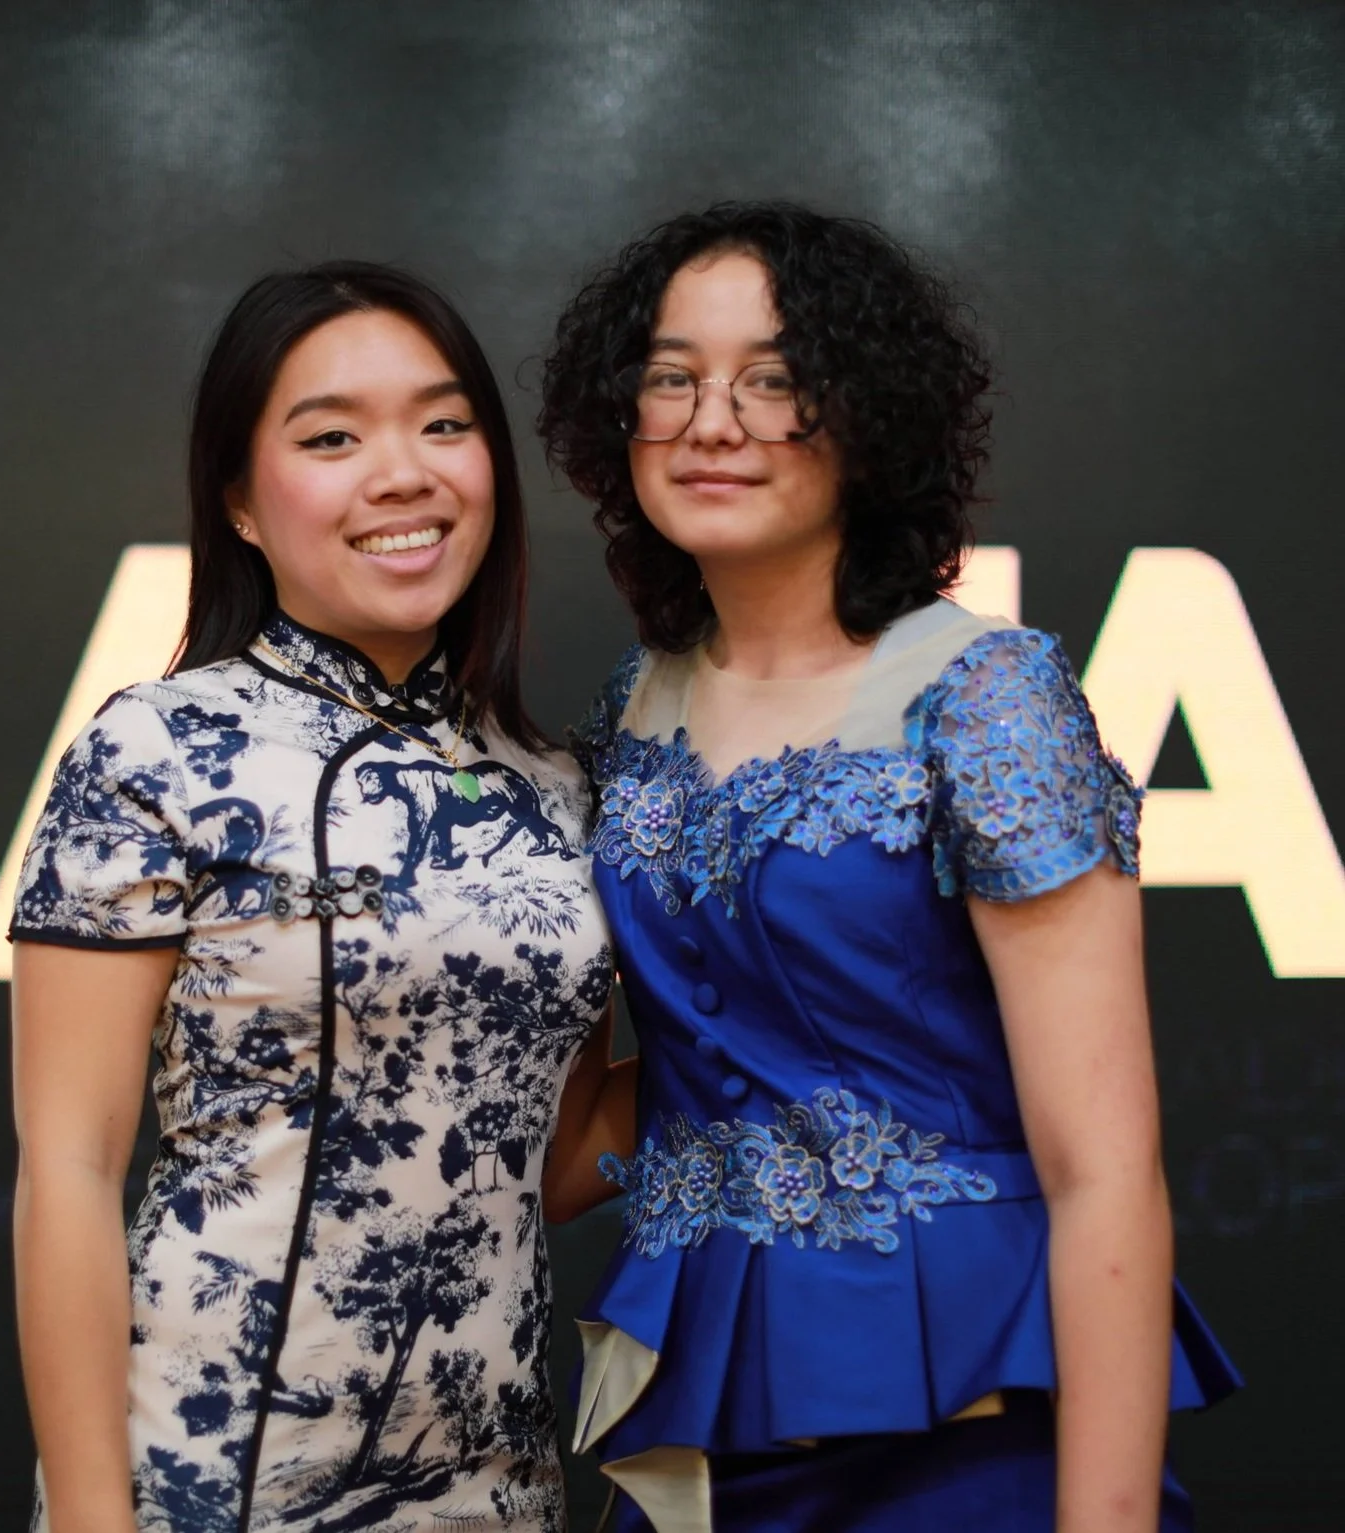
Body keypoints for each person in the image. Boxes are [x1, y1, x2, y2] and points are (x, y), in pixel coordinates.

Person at [537, 203, 1240, 1533]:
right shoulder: (631, 706)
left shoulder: (986, 696)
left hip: (962, 1453)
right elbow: (637, 1107)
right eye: (671, 378)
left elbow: (1103, 1169)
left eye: (774, 380)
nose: (712, 422)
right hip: (705, 1453)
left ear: (866, 416)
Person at [10, 261, 627, 1533]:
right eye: (332, 438)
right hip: (220, 1475)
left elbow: (560, 1163)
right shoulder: (156, 750)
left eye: (443, 424)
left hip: (500, 1487)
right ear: (239, 500)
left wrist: (800, 1031)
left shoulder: (553, 785)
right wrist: (88, 1515)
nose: (402, 473)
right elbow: (69, 1166)